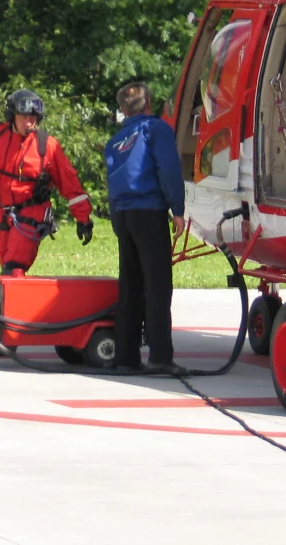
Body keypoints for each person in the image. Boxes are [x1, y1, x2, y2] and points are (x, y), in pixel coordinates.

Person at [0, 88, 94, 276]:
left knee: (13, 267)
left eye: (34, 117)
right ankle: (9, 303)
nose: (30, 121)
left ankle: (12, 303)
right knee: (6, 264)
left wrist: (83, 219)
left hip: (33, 213)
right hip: (4, 214)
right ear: (12, 116)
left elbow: (70, 184)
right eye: (25, 117)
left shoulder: (48, 146)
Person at [104, 82, 186, 375]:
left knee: (131, 284)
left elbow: (112, 184)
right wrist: (177, 208)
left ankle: (125, 356)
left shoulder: (115, 140)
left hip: (124, 214)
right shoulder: (155, 129)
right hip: (149, 211)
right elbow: (168, 167)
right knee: (158, 284)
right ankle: (160, 356)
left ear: (124, 110)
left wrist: (117, 221)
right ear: (149, 103)